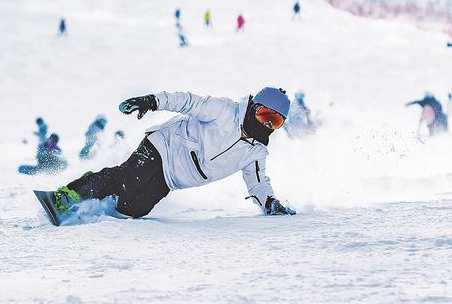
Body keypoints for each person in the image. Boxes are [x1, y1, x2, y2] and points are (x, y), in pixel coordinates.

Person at [49, 88, 297, 219]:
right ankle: (69, 194)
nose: (267, 125)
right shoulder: (225, 111)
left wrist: (269, 202)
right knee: (129, 178)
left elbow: (258, 182)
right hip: (163, 147)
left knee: (135, 208)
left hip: (173, 179)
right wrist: (152, 101)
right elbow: (188, 101)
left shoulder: (255, 152)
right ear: (254, 108)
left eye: (275, 122)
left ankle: (100, 200)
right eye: (265, 115)